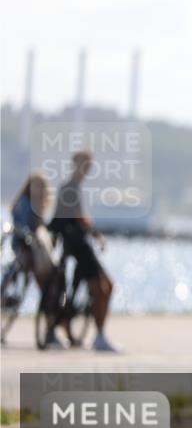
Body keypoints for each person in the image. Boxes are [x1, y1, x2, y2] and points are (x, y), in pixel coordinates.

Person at [48, 151, 117, 352]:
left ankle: (97, 332)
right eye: (85, 164)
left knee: (105, 286)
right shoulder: (70, 188)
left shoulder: (72, 188)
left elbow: (76, 216)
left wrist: (93, 232)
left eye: (89, 165)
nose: (87, 169)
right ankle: (100, 335)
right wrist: (96, 233)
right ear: (75, 165)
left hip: (77, 244)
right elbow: (79, 217)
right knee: (102, 287)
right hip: (78, 245)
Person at [8, 171, 56, 290]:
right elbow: (27, 227)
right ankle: (47, 293)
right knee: (47, 269)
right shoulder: (26, 203)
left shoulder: (26, 202)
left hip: (23, 245)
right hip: (26, 246)